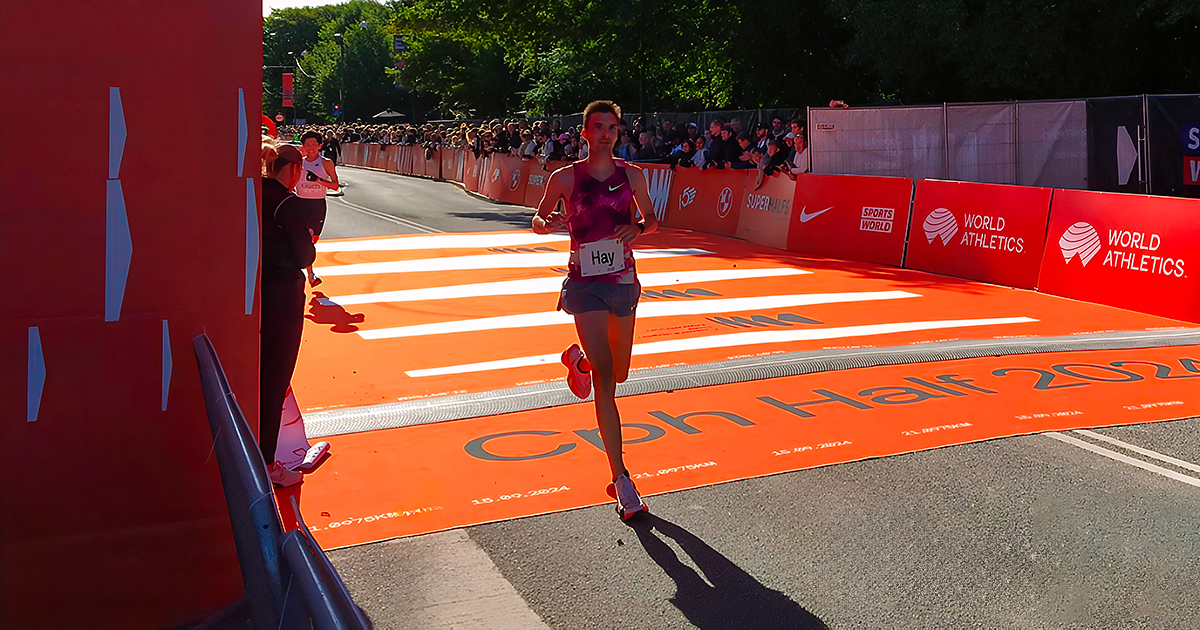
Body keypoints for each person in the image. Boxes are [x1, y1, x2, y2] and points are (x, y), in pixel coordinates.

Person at [532, 100, 659, 521]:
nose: (606, 133)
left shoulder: (633, 175)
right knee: (609, 381)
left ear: (619, 132)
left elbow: (653, 220)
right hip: (585, 283)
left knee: (618, 371)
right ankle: (622, 479)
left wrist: (637, 228)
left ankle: (579, 361)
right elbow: (539, 217)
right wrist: (544, 223)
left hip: (622, 279)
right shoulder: (565, 177)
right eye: (598, 126)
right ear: (584, 132)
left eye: (612, 127)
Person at [259, 139, 315, 488]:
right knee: (275, 379)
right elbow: (304, 256)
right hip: (281, 296)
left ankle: (258, 455)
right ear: (294, 170)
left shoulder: (252, 192)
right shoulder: (288, 203)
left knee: (257, 377)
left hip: (253, 294)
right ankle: (266, 463)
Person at [296, 131, 339, 287]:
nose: (311, 148)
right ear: (303, 147)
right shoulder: (298, 162)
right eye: (307, 145)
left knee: (313, 241)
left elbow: (335, 186)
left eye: (314, 144)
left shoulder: (326, 163)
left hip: (318, 205)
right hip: (301, 203)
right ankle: (311, 274)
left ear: (320, 146)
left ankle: (306, 267)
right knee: (305, 239)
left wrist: (319, 181)